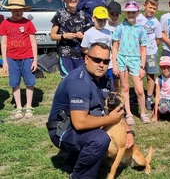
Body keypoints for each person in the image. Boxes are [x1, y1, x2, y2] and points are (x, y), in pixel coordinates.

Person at [47, 42, 134, 179]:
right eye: (97, 60)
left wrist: (128, 131)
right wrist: (110, 120)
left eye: (105, 61)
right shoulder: (79, 82)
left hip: (77, 125)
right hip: (62, 130)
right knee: (100, 139)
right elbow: (80, 123)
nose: (101, 64)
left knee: (102, 128)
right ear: (86, 59)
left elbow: (114, 110)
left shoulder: (104, 79)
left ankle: (73, 161)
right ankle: (80, 176)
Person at [112, 1, 150, 125]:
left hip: (136, 60)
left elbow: (143, 49)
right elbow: (115, 47)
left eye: (133, 12)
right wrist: (115, 64)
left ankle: (143, 112)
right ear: (125, 13)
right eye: (129, 12)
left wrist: (142, 66)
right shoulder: (120, 28)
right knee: (125, 87)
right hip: (122, 59)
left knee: (139, 89)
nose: (131, 15)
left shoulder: (141, 29)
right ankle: (128, 113)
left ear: (137, 13)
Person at [0, 0, 37, 119]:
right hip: (11, 58)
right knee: (14, 82)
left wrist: (35, 60)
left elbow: (33, 42)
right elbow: (3, 43)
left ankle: (29, 106)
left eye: (21, 10)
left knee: (29, 82)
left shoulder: (28, 23)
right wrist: (4, 61)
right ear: (10, 10)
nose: (19, 12)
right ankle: (19, 106)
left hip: (27, 57)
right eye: (15, 10)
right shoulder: (5, 24)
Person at [50, 0, 91, 79]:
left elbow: (89, 36)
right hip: (65, 56)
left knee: (80, 79)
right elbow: (52, 36)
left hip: (81, 55)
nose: (73, 0)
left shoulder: (83, 15)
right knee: (67, 79)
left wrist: (82, 36)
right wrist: (64, 36)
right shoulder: (59, 14)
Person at [136, 0, 162, 110]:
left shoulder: (156, 22)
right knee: (139, 75)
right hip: (137, 52)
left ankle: (149, 97)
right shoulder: (138, 18)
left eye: (154, 9)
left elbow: (158, 38)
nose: (151, 10)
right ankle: (139, 94)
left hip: (151, 52)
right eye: (150, 7)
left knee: (150, 75)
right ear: (144, 6)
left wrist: (152, 47)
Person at [81, 6, 114, 96]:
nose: (102, 23)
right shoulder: (88, 33)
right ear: (93, 18)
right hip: (95, 65)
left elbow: (111, 48)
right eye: (100, 20)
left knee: (108, 86)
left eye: (104, 20)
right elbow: (84, 49)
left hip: (108, 65)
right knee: (95, 85)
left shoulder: (108, 32)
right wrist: (95, 57)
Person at [152, 56, 170, 122]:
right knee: (164, 109)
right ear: (160, 67)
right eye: (163, 67)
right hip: (162, 99)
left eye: (168, 67)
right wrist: (155, 115)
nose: (166, 69)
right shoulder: (158, 79)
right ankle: (158, 111)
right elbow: (157, 97)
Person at [105, 1, 122, 92]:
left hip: (117, 58)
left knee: (116, 82)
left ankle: (116, 99)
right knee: (106, 81)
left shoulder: (120, 27)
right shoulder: (104, 26)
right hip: (107, 57)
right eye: (112, 14)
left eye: (117, 15)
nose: (115, 17)